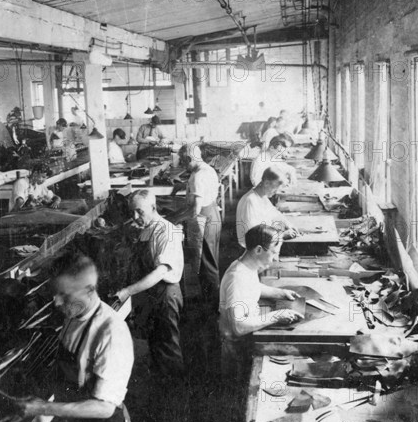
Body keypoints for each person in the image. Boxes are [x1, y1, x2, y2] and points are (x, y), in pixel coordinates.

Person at [0, 251, 134, 422]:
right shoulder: (73, 314)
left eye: (64, 295)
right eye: (55, 293)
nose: (56, 302)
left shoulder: (110, 333)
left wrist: (42, 408)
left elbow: (104, 408)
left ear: (89, 291)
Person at [115, 189, 184, 379]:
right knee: (156, 346)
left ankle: (176, 395)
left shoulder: (166, 231)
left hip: (165, 295)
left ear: (153, 207)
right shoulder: (146, 229)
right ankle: (159, 392)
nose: (135, 217)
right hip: (151, 295)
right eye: (132, 212)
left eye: (140, 212)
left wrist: (127, 291)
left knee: (168, 348)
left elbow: (159, 272)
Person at [219, 225, 302, 379]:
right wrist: (276, 316)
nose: (275, 258)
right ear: (258, 250)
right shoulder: (236, 277)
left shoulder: (246, 267)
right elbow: (238, 326)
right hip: (238, 347)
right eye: (274, 253)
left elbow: (253, 287)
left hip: (247, 337)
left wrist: (280, 293)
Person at [170, 143, 221, 311]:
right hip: (212, 213)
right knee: (209, 259)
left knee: (206, 262)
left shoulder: (198, 176)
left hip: (203, 219)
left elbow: (194, 211)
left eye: (184, 162)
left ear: (189, 158)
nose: (184, 166)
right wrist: (183, 186)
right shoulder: (206, 169)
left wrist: (174, 218)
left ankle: (212, 305)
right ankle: (210, 299)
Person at [236, 166, 299, 248]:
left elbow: (275, 214)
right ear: (266, 183)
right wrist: (281, 236)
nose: (276, 193)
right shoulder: (250, 201)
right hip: (251, 249)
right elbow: (254, 236)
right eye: (275, 189)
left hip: (263, 242)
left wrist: (289, 225)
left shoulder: (262, 196)